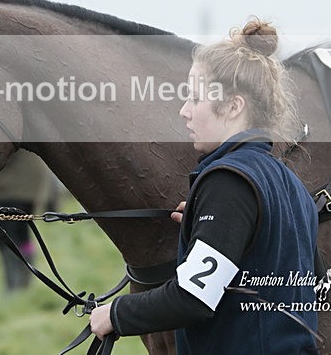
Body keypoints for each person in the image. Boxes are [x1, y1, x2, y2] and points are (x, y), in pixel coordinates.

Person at [89, 19, 319, 354]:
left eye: (196, 98)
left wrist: (115, 314)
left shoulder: (229, 182)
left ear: (234, 106)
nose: (184, 111)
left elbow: (193, 298)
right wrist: (223, 229)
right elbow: (308, 284)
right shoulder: (291, 184)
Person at [0, 149, 60, 291]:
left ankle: (14, 285)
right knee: (21, 233)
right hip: (30, 186)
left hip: (14, 186)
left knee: (6, 236)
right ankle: (24, 280)